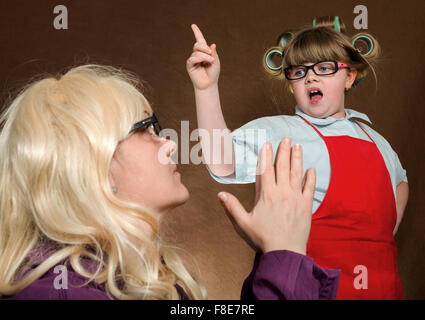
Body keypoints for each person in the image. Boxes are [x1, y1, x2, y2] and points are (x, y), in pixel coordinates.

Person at [0, 64, 339, 300]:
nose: (171, 143)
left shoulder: (137, 280)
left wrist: (275, 257)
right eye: (145, 129)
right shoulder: (58, 292)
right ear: (90, 167)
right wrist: (285, 255)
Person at [186, 16, 409, 299]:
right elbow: (221, 160)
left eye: (324, 68)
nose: (311, 77)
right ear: (291, 83)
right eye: (299, 72)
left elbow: (401, 183)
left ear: (349, 76)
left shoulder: (377, 141)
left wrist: (379, 237)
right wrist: (206, 89)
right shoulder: (281, 131)